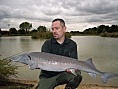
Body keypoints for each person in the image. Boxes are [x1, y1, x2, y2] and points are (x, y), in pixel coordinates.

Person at [36, 18, 82, 89]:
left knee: (77, 76)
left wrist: (73, 68)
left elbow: (74, 61)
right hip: (48, 75)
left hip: (64, 74)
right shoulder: (47, 44)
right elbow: (43, 63)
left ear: (64, 29)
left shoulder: (72, 44)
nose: (54, 31)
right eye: (52, 29)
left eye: (57, 28)